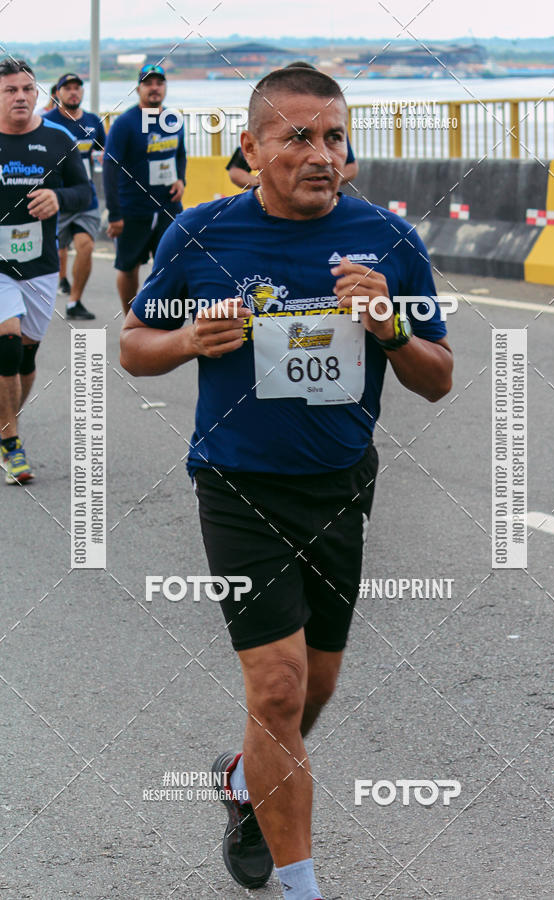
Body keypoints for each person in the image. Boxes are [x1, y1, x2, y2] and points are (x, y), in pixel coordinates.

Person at [120, 66, 453, 900]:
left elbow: (439, 378)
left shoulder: (388, 240)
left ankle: (243, 776)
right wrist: (188, 340)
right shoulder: (200, 236)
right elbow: (132, 345)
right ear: (251, 147)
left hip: (339, 484)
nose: (321, 154)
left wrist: (389, 330)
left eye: (334, 137)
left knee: (314, 689)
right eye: (297, 137)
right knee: (276, 687)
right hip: (235, 484)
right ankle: (302, 883)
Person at [0, 58, 91, 484]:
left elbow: (85, 192)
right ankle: (12, 444)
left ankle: (5, 423)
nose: (19, 96)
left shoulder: (59, 138)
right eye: (9, 90)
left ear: (36, 93)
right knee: (7, 341)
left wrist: (59, 198)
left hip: (40, 266)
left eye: (26, 89)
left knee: (26, 357)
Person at [103, 63, 186, 317]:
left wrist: (181, 180)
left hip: (168, 207)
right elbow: (109, 167)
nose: (154, 88)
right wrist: (115, 214)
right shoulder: (125, 123)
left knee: (172, 264)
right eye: (148, 83)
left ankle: (161, 318)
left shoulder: (173, 119)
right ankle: (131, 317)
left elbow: (180, 154)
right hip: (133, 209)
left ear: (165, 87)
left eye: (159, 83)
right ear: (138, 88)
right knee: (129, 267)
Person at [227, 61, 358, 191]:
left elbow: (351, 167)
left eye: (333, 138)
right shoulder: (268, 130)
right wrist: (259, 184)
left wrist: (323, 180)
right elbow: (236, 171)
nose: (322, 158)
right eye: (298, 138)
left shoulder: (329, 129)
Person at [45, 72, 106, 319]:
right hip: (55, 197)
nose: (73, 92)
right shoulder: (47, 122)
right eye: (67, 88)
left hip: (85, 197)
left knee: (86, 245)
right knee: (52, 251)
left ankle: (74, 302)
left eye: (77, 88)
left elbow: (106, 157)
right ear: (57, 93)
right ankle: (48, 291)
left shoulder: (93, 122)